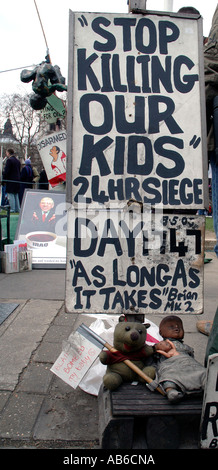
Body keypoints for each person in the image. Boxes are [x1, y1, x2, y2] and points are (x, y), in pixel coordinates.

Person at [147, 315, 206, 403]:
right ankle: (171, 391)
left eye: (180, 327)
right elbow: (151, 357)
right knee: (168, 378)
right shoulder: (160, 345)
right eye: (171, 327)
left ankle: (208, 386)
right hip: (170, 366)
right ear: (161, 332)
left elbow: (191, 356)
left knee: (203, 373)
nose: (177, 328)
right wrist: (156, 348)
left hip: (188, 363)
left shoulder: (186, 347)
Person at [2, 148, 21, 212]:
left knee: (11, 194)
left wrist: (4, 180)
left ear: (8, 153)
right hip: (17, 180)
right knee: (16, 195)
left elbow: (7, 171)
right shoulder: (18, 161)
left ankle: (12, 209)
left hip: (11, 180)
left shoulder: (9, 160)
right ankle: (18, 209)